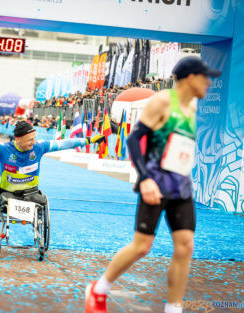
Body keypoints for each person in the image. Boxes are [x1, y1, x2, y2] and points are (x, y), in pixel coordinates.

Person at [84, 56, 221, 313]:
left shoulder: (191, 105)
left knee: (185, 246)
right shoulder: (162, 101)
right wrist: (145, 179)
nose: (209, 84)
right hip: (155, 183)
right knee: (142, 247)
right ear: (190, 78)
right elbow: (134, 140)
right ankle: (99, 289)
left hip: (180, 186)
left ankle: (173, 308)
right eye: (205, 78)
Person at [0, 121, 105, 202]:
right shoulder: (3, 149)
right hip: (7, 194)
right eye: (30, 139)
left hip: (31, 193)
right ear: (18, 139)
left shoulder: (40, 147)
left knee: (43, 201)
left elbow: (65, 143)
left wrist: (89, 140)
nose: (33, 142)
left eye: (34, 138)